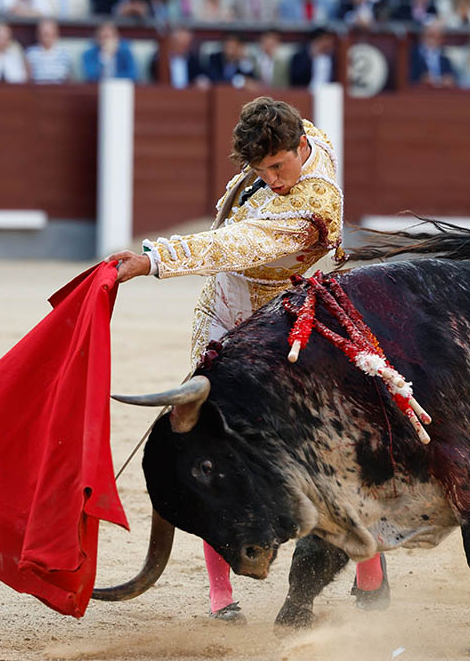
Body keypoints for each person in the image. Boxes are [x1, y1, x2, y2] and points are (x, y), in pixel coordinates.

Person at [106, 96, 391, 623]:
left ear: (303, 148)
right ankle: (220, 597)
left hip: (284, 337)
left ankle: (371, 576)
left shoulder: (311, 205)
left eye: (280, 167)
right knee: (206, 449)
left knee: (326, 453)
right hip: (222, 321)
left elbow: (236, 243)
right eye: (261, 171)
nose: (274, 180)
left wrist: (152, 260)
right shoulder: (294, 136)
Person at [409, 19, 456, 88]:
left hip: (441, 95)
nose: (431, 41)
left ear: (441, 39)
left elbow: (452, 79)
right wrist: (421, 79)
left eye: (436, 37)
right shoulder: (412, 55)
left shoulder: (445, 59)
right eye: (430, 36)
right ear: (421, 36)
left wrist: (448, 81)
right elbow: (407, 79)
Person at [26, 17, 74, 83]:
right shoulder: (30, 53)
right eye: (42, 33)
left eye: (47, 34)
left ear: (55, 34)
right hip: (37, 91)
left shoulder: (65, 54)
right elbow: (28, 79)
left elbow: (68, 79)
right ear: (38, 35)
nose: (45, 37)